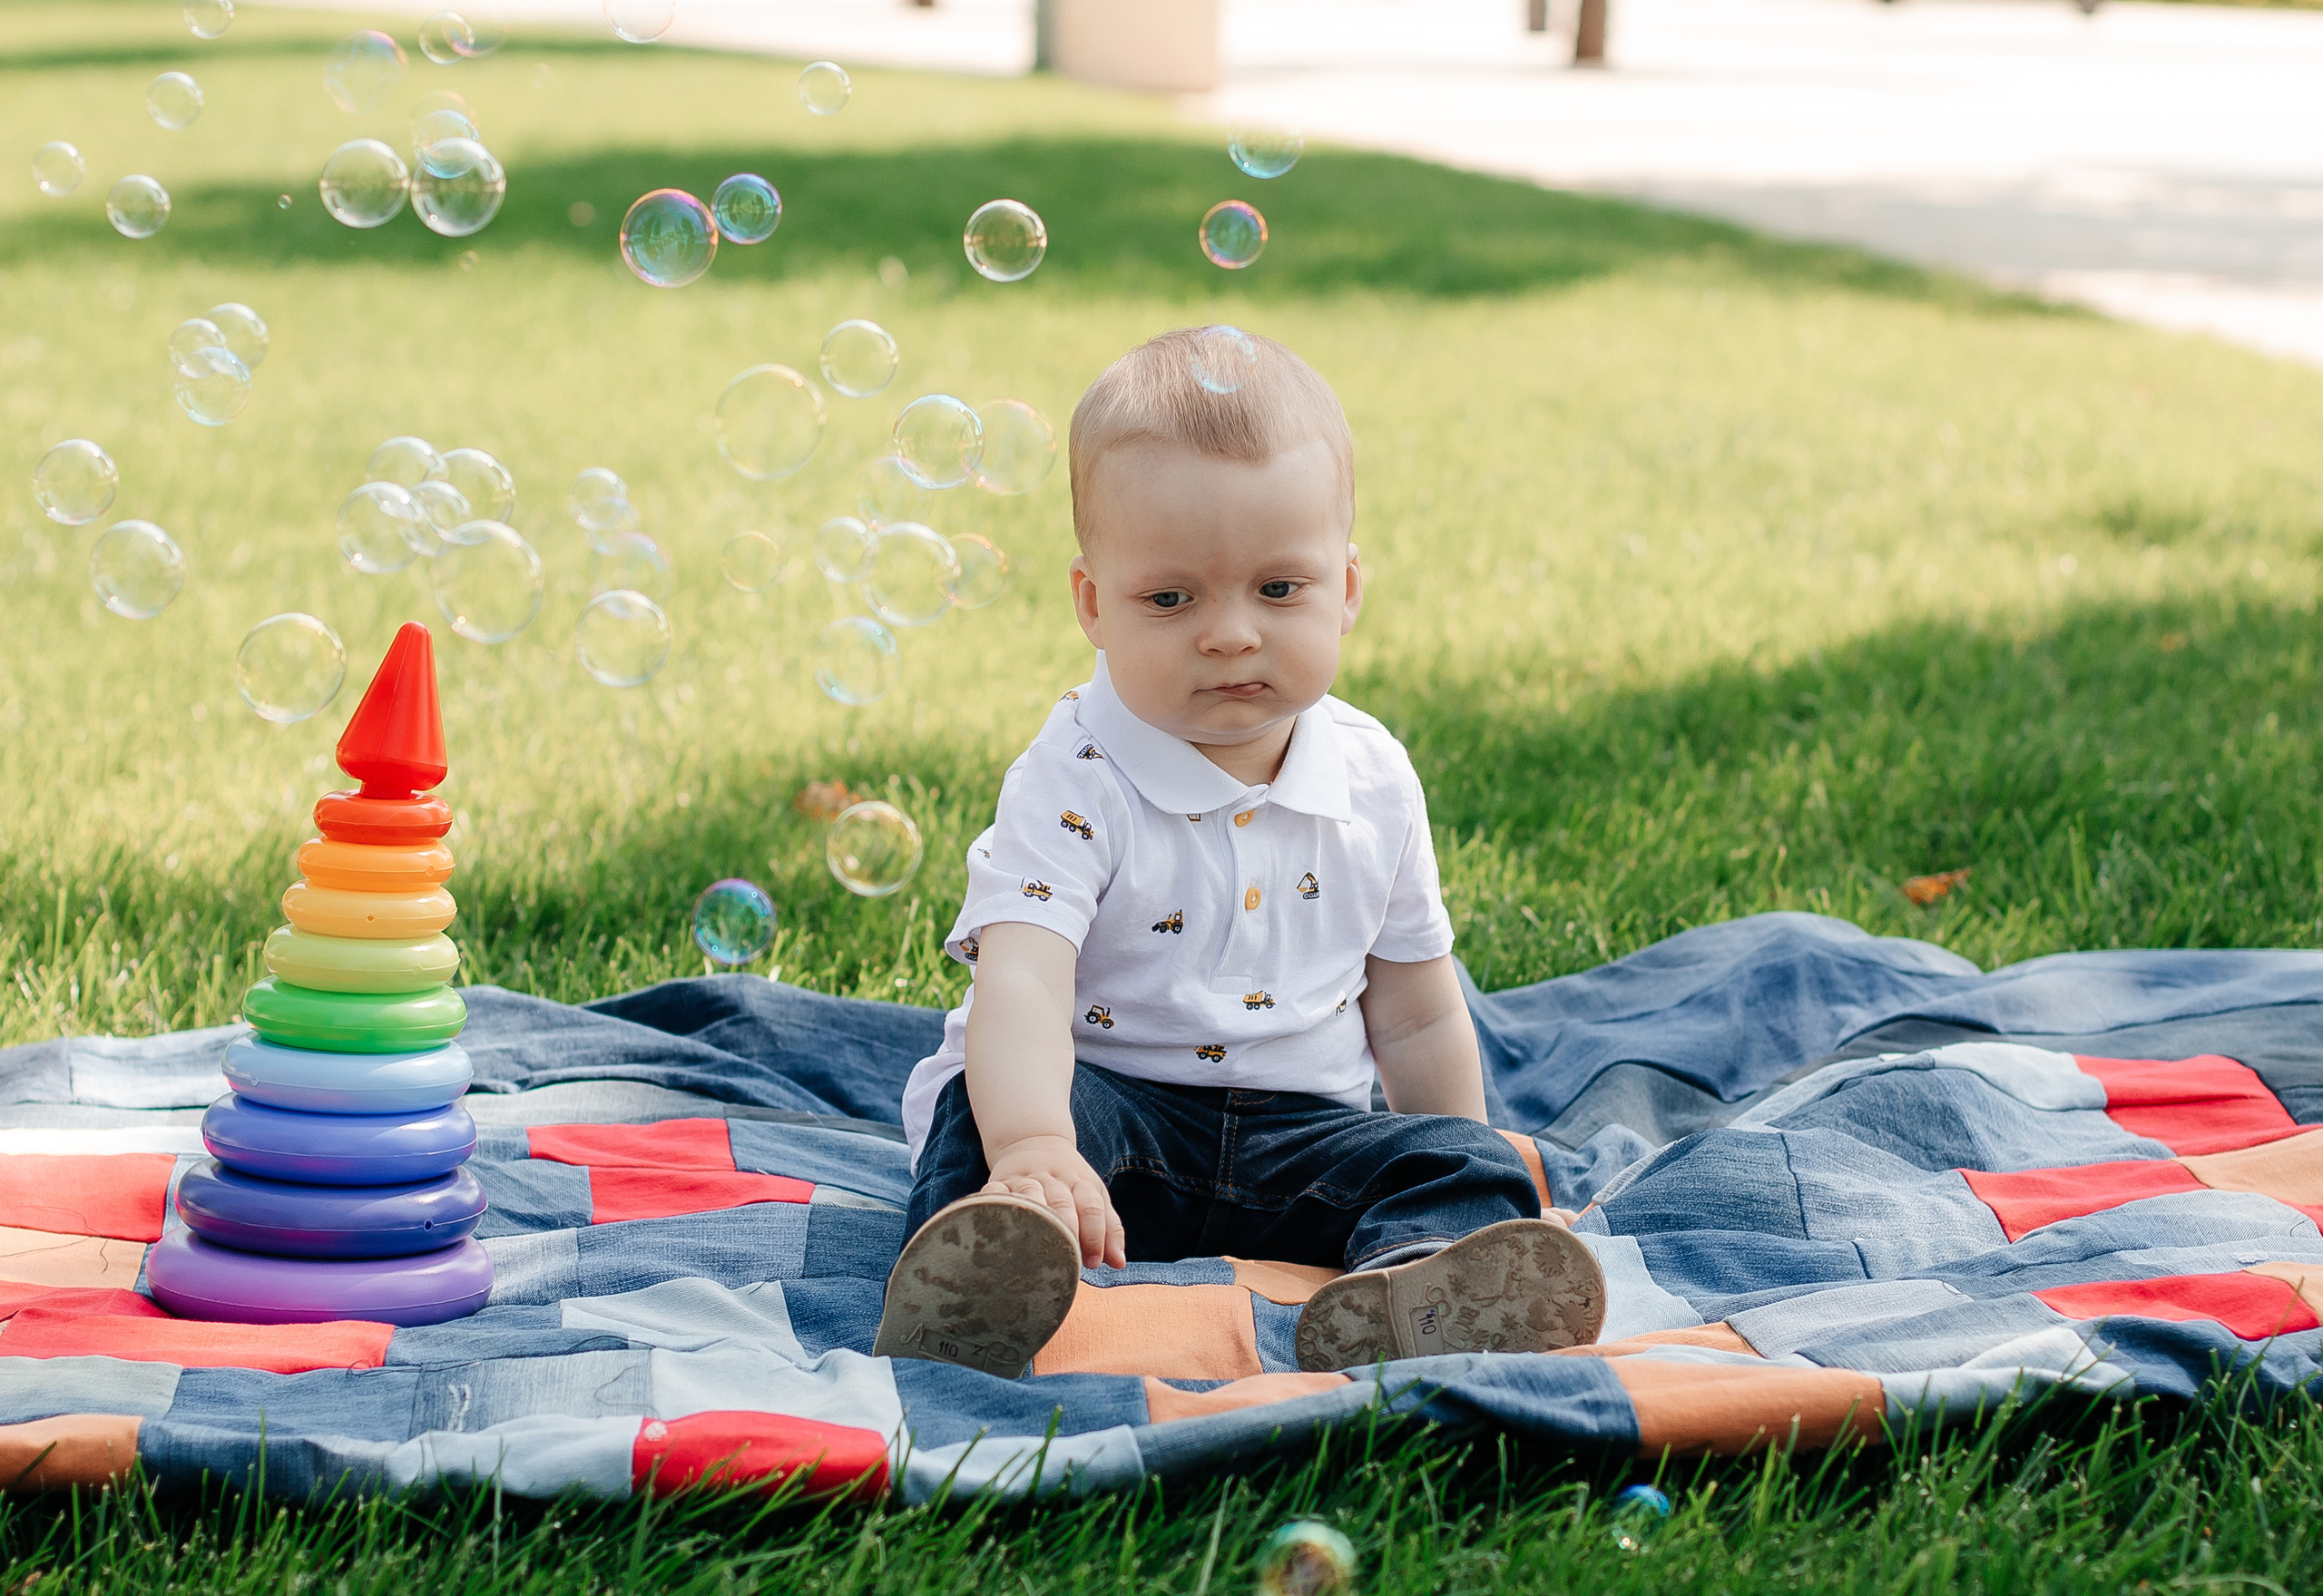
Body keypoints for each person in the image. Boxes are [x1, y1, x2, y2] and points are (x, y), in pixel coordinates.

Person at [873, 327, 1606, 1377]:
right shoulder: (1075, 772)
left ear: (1345, 588)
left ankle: (1427, 1277)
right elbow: (1023, 986)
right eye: (1170, 599)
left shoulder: (1371, 776)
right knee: (977, 1124)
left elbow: (1415, 1006)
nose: (1227, 634)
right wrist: (1037, 1145)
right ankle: (984, 1281)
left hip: (1305, 1138)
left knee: (1466, 1161)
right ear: (1093, 604)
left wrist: (1463, 1150)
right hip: (1110, 1114)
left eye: (1278, 590)